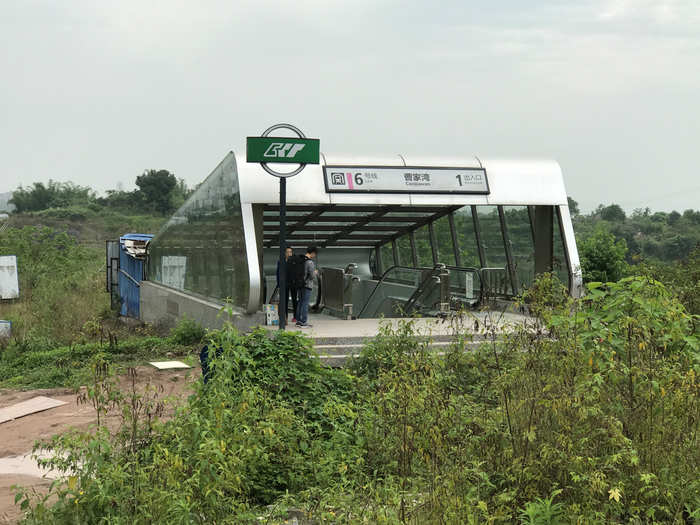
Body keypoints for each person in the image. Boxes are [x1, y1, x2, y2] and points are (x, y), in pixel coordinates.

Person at [295, 245, 318, 328]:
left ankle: (298, 320)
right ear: (312, 253)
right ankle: (304, 321)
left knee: (300, 302)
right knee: (305, 303)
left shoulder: (301, 260)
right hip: (307, 285)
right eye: (315, 254)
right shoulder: (310, 262)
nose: (315, 256)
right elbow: (312, 276)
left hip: (300, 284)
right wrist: (315, 273)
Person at [276, 246, 298, 323]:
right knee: (284, 300)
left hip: (293, 283)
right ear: (284, 253)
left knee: (295, 299)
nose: (289, 253)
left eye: (290, 252)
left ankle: (295, 316)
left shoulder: (294, 261)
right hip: (284, 283)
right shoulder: (281, 261)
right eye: (287, 252)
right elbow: (278, 273)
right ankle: (285, 317)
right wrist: (279, 284)